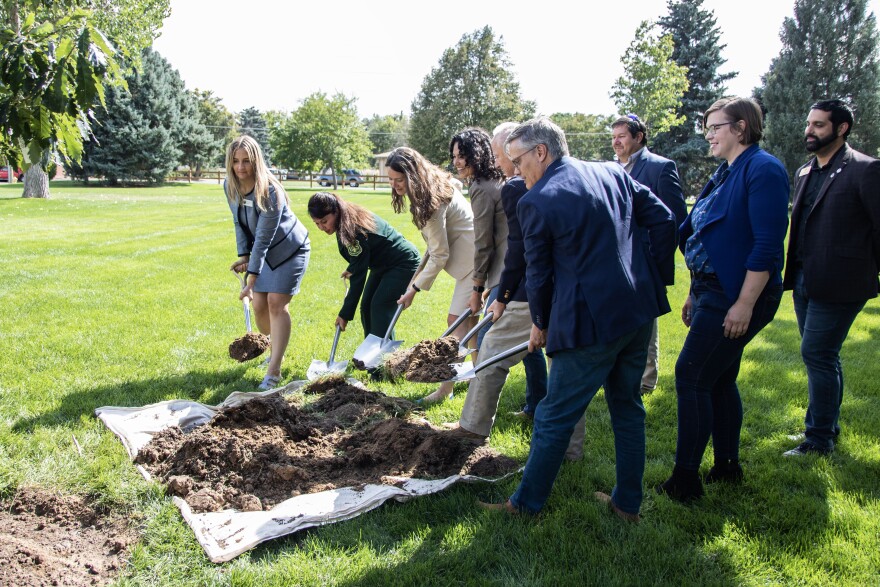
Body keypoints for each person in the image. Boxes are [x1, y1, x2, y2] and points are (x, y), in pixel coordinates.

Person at [481, 117, 677, 521]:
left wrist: (540, 323)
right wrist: (650, 277)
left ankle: (525, 506)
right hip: (637, 312)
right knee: (627, 408)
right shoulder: (611, 172)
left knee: (553, 415)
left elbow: (538, 274)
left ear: (542, 151)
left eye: (519, 162)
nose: (516, 172)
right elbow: (664, 219)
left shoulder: (537, 200)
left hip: (590, 327)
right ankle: (628, 505)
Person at [656, 97, 789, 501]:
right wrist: (695, 294)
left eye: (715, 127)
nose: (708, 134)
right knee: (719, 379)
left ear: (741, 128)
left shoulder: (763, 169)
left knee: (691, 375)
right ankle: (727, 468)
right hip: (712, 290)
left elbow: (766, 245)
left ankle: (685, 481)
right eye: (707, 127)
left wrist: (744, 305)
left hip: (737, 294)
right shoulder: (727, 171)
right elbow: (704, 234)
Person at [781, 99, 880, 457]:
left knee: (817, 353)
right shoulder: (804, 171)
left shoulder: (866, 170)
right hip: (805, 278)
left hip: (842, 281)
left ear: (842, 129)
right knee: (824, 356)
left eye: (819, 125)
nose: (810, 130)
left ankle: (819, 439)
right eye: (809, 124)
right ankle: (826, 427)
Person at [387, 147, 476, 404]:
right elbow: (432, 248)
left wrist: (414, 291)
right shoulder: (432, 186)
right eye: (391, 180)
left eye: (399, 180)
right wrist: (412, 283)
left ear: (413, 176)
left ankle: (444, 390)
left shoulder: (430, 203)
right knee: (471, 329)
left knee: (456, 323)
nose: (394, 185)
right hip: (475, 257)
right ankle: (479, 379)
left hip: (475, 262)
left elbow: (439, 254)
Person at [226, 135, 310, 391]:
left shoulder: (270, 191)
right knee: (261, 309)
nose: (241, 168)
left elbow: (263, 238)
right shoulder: (230, 186)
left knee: (275, 303)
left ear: (256, 161)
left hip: (289, 250)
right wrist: (243, 256)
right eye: (236, 161)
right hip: (261, 254)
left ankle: (273, 370)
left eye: (247, 161)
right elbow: (239, 223)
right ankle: (275, 349)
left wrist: (251, 279)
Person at [611, 114, 688, 395]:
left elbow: (676, 219)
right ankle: (618, 373)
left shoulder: (659, 168)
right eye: (614, 137)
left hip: (645, 260)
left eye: (621, 136)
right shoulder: (610, 169)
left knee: (646, 321)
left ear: (638, 137)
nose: (616, 142)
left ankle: (645, 381)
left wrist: (656, 259)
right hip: (616, 259)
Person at [307, 192, 421, 339]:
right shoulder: (343, 218)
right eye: (317, 223)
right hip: (382, 263)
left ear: (336, 212)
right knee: (366, 306)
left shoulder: (352, 230)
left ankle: (384, 355)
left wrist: (344, 314)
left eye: (324, 221)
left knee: (380, 306)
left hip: (402, 262)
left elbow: (358, 278)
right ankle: (371, 351)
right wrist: (352, 268)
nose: (321, 227)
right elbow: (363, 255)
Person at [449, 128, 508, 350]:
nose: (457, 162)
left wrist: (476, 290)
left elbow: (484, 243)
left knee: (486, 335)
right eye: (454, 156)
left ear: (477, 154)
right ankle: (539, 387)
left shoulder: (481, 188)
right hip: (511, 269)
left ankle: (480, 385)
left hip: (505, 271)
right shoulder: (495, 179)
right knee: (523, 343)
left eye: (462, 155)